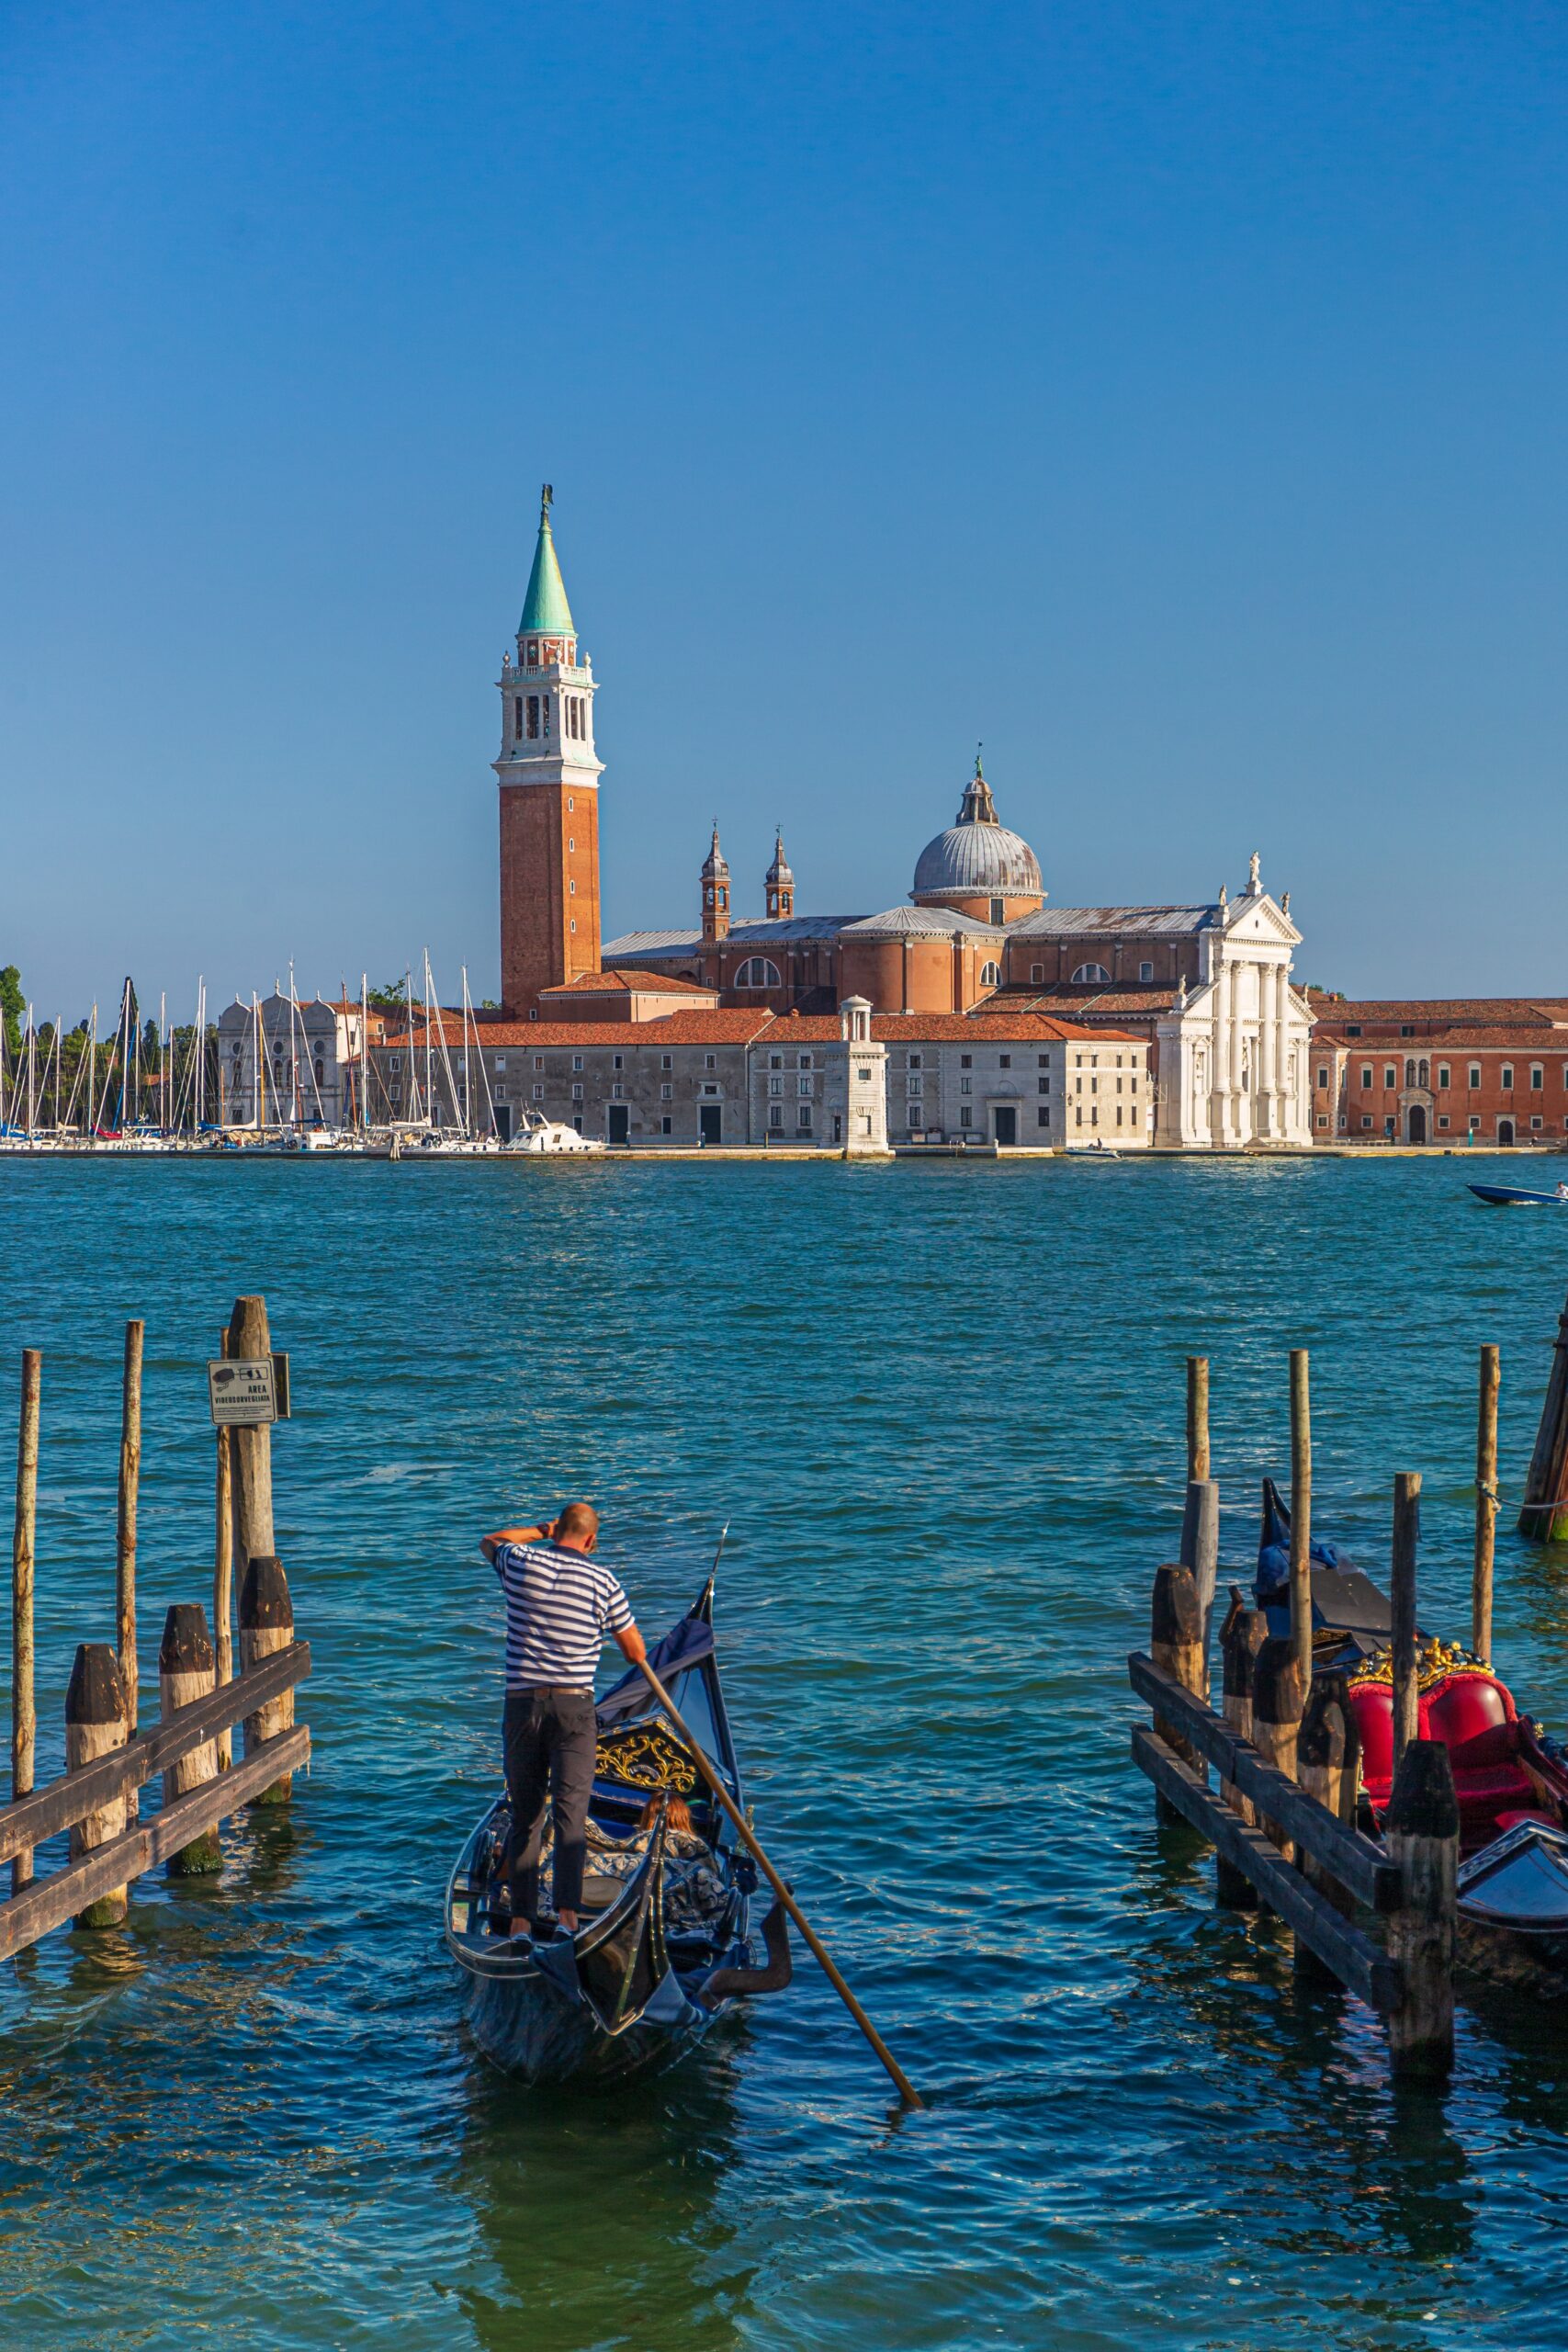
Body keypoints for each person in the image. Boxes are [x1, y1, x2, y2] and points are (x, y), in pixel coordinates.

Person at [481, 1502, 647, 1941]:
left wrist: (538, 1530)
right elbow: (635, 1654)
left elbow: (491, 1541)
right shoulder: (604, 1581)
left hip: (522, 1708)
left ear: (558, 1532)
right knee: (571, 1815)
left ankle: (519, 1923)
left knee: (526, 1816)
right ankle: (568, 1920)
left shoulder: (522, 1563)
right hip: (574, 1710)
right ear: (591, 1541)